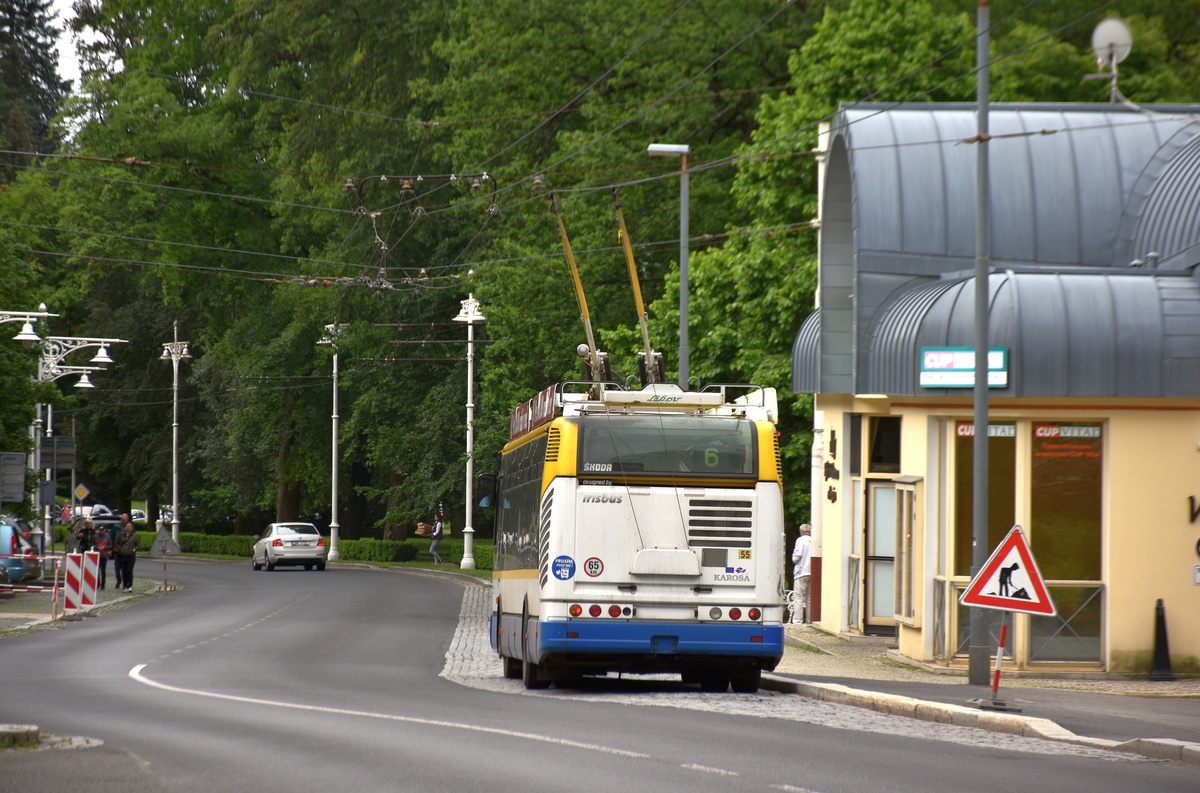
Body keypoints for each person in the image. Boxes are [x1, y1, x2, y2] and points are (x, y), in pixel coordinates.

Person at [791, 523, 813, 624]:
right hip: (812, 572)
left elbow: (797, 556)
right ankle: (809, 621)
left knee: (799, 598)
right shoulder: (814, 540)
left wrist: (793, 559)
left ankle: (797, 621)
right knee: (809, 598)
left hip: (801, 572)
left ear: (801, 531)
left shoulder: (800, 540)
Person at [113, 514, 139, 593]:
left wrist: (134, 550)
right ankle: (125, 585)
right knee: (123, 571)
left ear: (132, 528)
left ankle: (130, 585)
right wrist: (120, 549)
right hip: (122, 555)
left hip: (131, 556)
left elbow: (137, 544)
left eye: (130, 526)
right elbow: (116, 542)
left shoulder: (134, 536)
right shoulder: (120, 535)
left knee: (129, 570)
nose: (129, 528)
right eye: (127, 526)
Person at [93, 522, 113, 590]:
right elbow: (93, 545)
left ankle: (103, 584)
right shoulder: (95, 536)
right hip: (97, 554)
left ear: (105, 530)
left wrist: (104, 547)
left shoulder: (107, 536)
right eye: (100, 530)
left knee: (103, 570)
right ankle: (97, 584)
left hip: (104, 555)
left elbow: (110, 545)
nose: (101, 531)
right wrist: (97, 547)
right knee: (97, 570)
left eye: (102, 530)